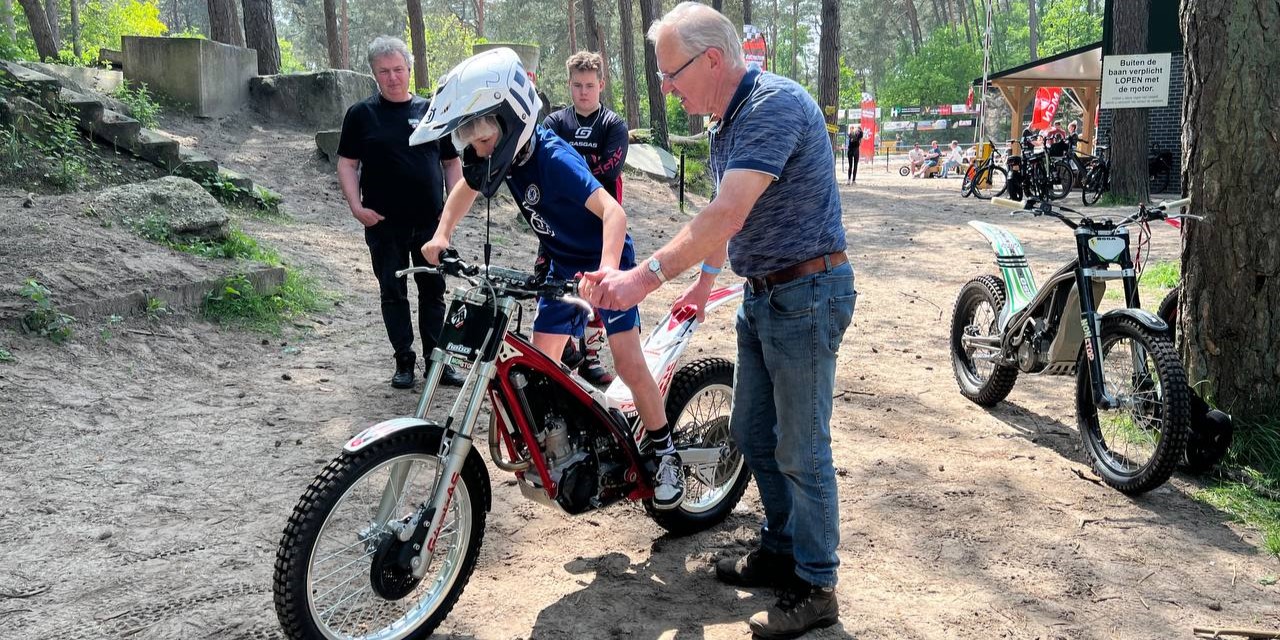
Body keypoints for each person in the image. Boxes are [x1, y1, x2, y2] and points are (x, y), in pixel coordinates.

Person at [578, 4, 854, 637]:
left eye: (671, 73)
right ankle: (781, 547)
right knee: (754, 435)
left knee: (801, 446)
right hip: (766, 294)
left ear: (712, 60)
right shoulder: (727, 121)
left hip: (807, 295)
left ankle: (816, 584)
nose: (666, 87)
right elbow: (727, 216)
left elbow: (724, 214)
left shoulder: (771, 107)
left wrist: (642, 278)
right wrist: (705, 285)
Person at [410, 48, 686, 510]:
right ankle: (572, 447)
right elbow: (466, 186)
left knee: (629, 363)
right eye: (471, 145)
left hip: (605, 263)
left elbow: (613, 213)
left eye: (480, 143)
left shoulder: (553, 160)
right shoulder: (508, 159)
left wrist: (609, 271)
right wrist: (442, 233)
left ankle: (664, 450)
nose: (476, 154)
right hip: (561, 268)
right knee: (543, 369)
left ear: (506, 125)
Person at [336, 36, 466, 389]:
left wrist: (450, 215)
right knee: (393, 292)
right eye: (384, 72)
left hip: (431, 224)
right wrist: (356, 206)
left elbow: (452, 164)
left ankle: (437, 361)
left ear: (409, 70)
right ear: (374, 75)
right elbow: (347, 164)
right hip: (383, 223)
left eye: (398, 69)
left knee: (433, 290)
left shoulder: (432, 110)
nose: (392, 77)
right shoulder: (361, 115)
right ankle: (404, 361)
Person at [540, 50, 630, 386]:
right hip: (559, 224)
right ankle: (563, 353)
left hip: (600, 224)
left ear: (601, 85)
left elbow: (610, 168)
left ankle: (591, 357)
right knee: (551, 287)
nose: (583, 92)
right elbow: (544, 166)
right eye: (577, 85)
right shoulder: (555, 123)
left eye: (589, 85)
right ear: (569, 85)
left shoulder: (613, 125)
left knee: (599, 291)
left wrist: (568, 172)